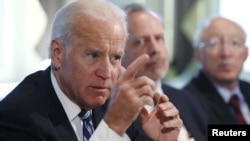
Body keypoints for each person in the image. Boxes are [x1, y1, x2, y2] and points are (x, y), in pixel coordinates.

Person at [0, 0, 183, 141]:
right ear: (57, 54)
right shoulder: (17, 117)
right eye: (93, 55)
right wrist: (113, 126)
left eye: (115, 58)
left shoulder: (113, 102)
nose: (107, 73)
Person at [121, 3, 208, 141]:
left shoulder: (187, 99)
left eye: (159, 38)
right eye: (140, 42)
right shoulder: (113, 111)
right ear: (119, 53)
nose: (155, 49)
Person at [183, 16, 250, 125]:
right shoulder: (187, 100)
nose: (226, 53)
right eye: (213, 44)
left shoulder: (247, 89)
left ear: (245, 54)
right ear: (198, 54)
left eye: (234, 43)